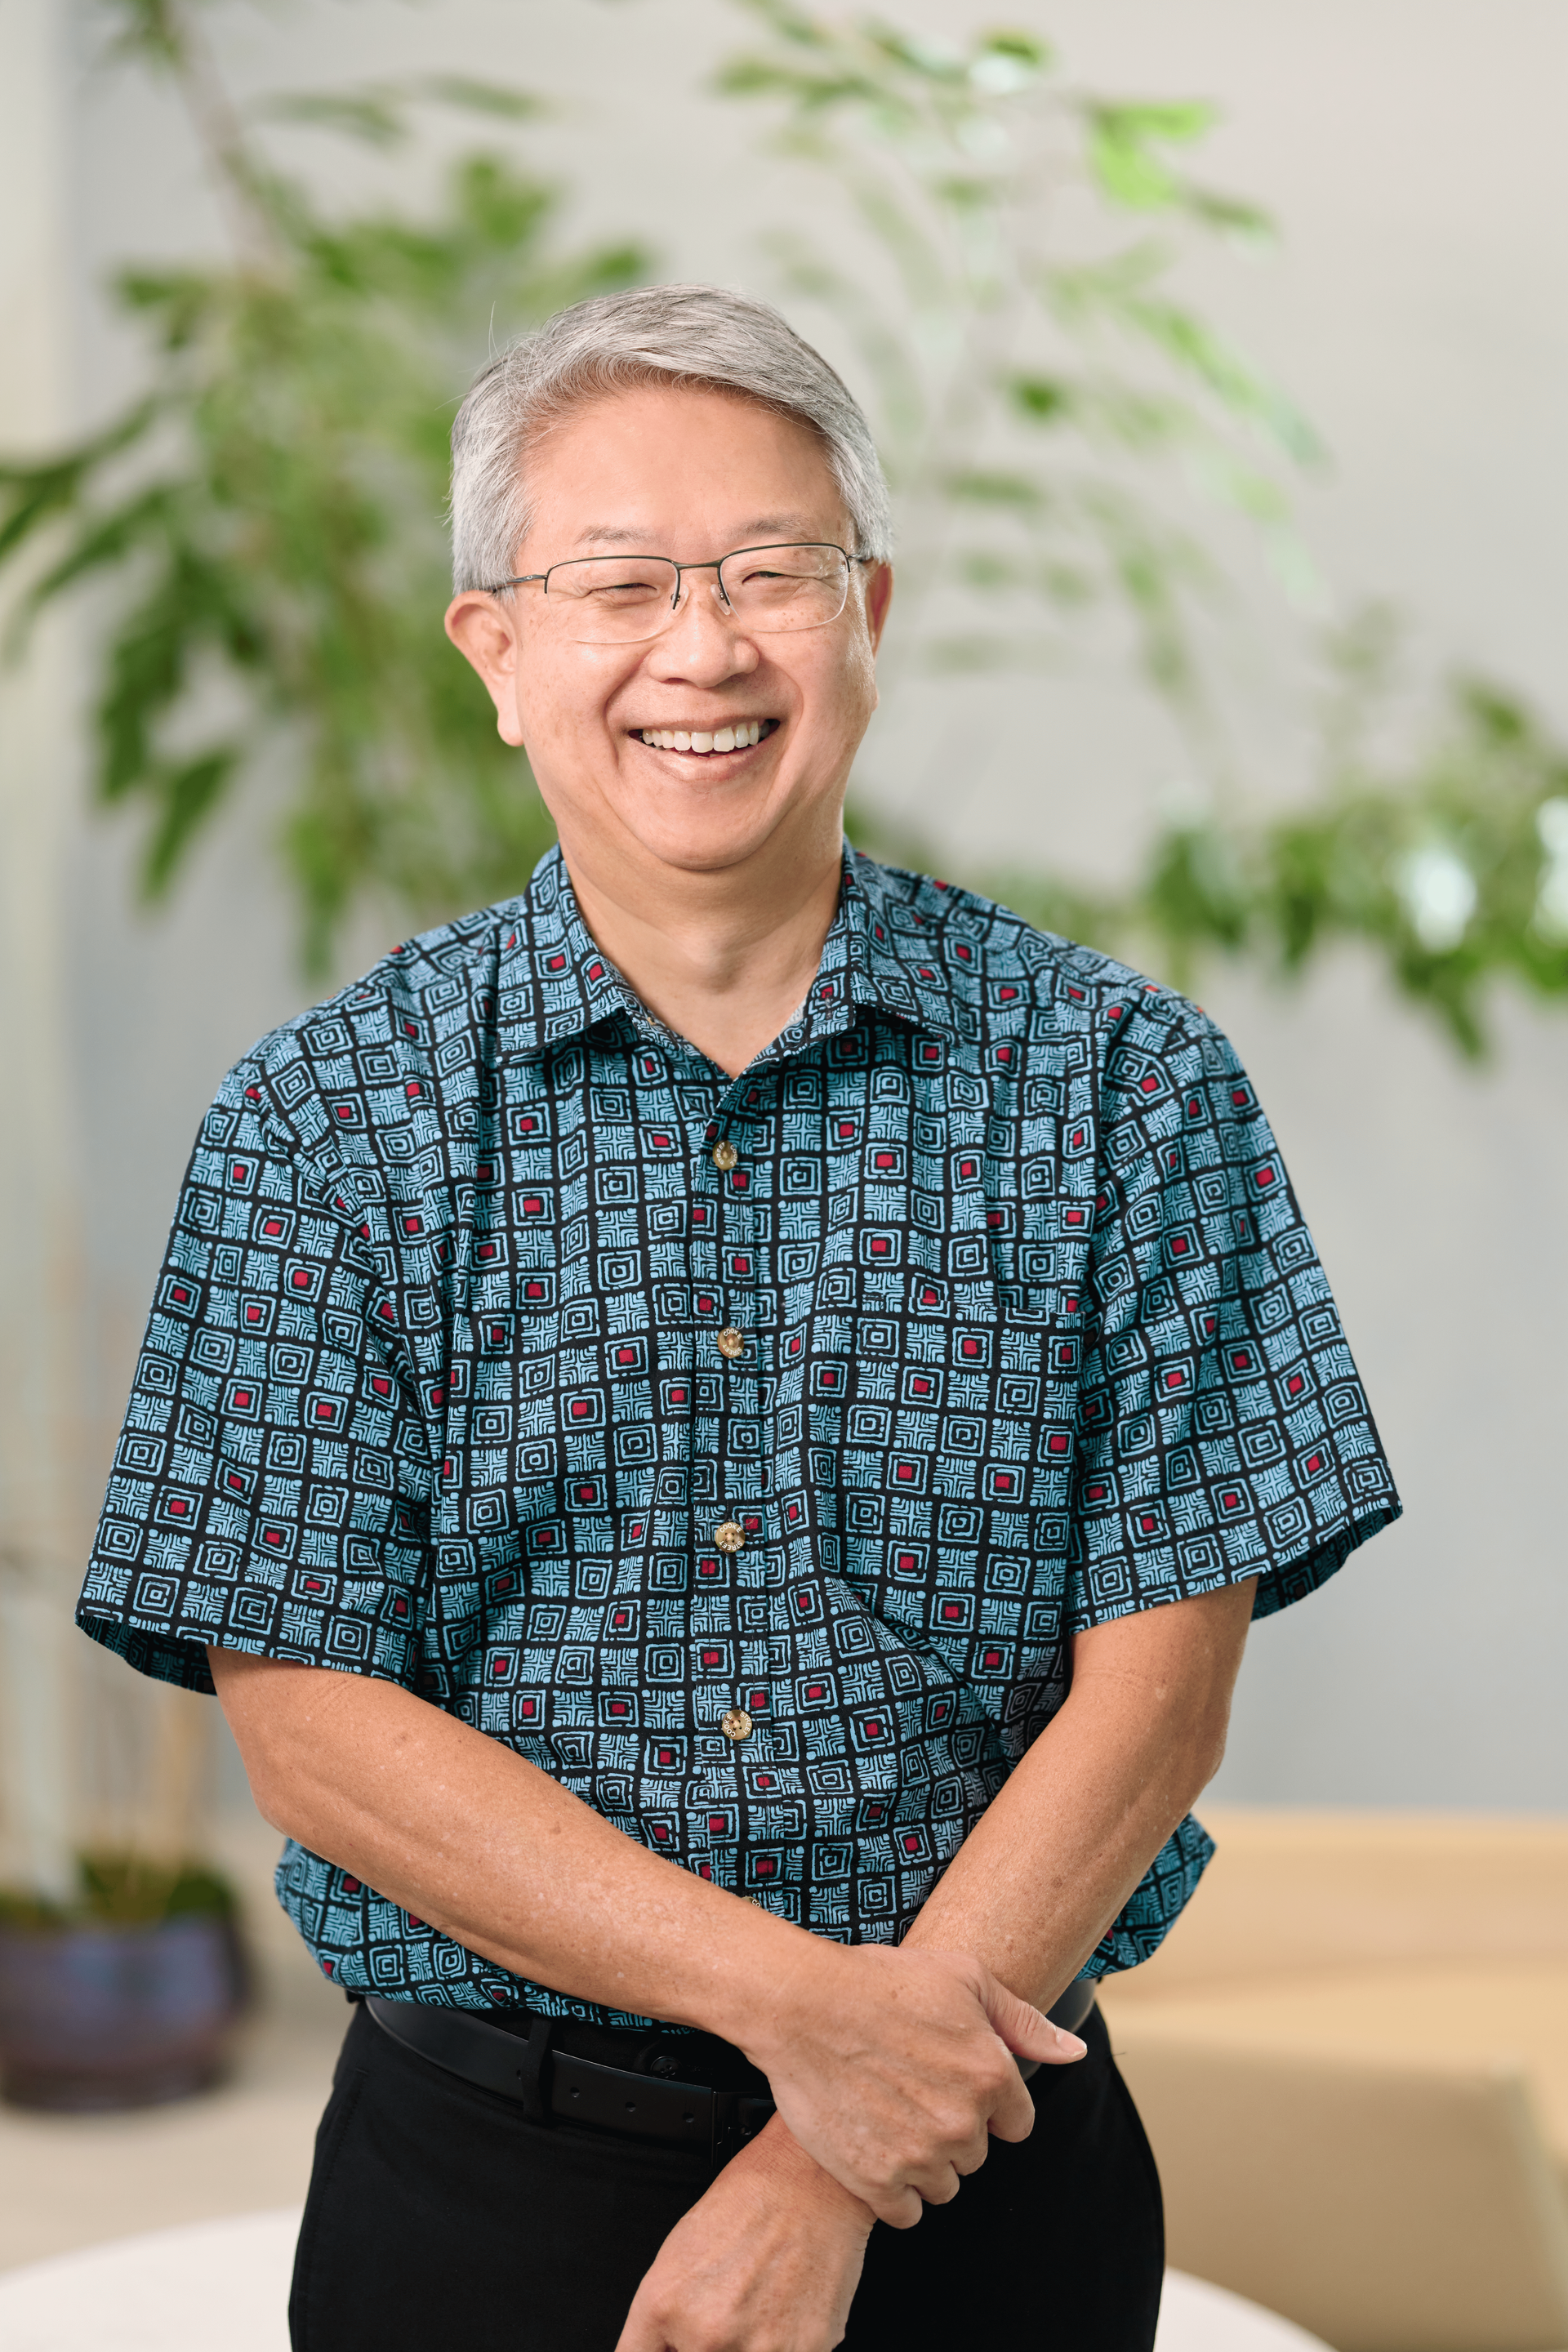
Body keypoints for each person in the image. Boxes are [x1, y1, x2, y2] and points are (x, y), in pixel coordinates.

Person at [74, 284, 1400, 2352]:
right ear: (494, 652)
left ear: (867, 612)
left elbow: (1161, 1689)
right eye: (615, 584)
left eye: (768, 574)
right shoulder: (321, 1120)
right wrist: (815, 2027)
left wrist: (837, 2151)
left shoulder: (1127, 1085)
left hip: (996, 2186)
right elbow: (313, 1728)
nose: (702, 648)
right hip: (481, 2184)